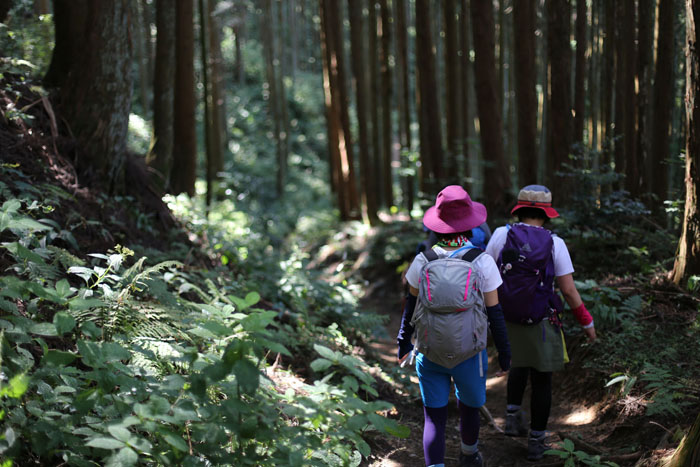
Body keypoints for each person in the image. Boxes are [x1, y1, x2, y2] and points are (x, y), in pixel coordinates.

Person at [397, 185, 511, 467]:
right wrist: (505, 353)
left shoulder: (422, 261)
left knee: (433, 416)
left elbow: (409, 308)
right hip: (470, 353)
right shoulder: (482, 261)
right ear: (470, 225)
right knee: (470, 407)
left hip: (429, 351)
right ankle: (469, 455)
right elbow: (495, 313)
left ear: (438, 225)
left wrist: (403, 343)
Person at [485, 185, 597, 461]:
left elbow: (485, 274)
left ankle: (512, 418)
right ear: (546, 214)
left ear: (519, 209)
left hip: (506, 317)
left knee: (517, 364)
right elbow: (568, 290)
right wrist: (586, 322)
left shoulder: (501, 234)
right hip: (541, 320)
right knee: (542, 378)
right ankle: (536, 441)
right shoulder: (555, 243)